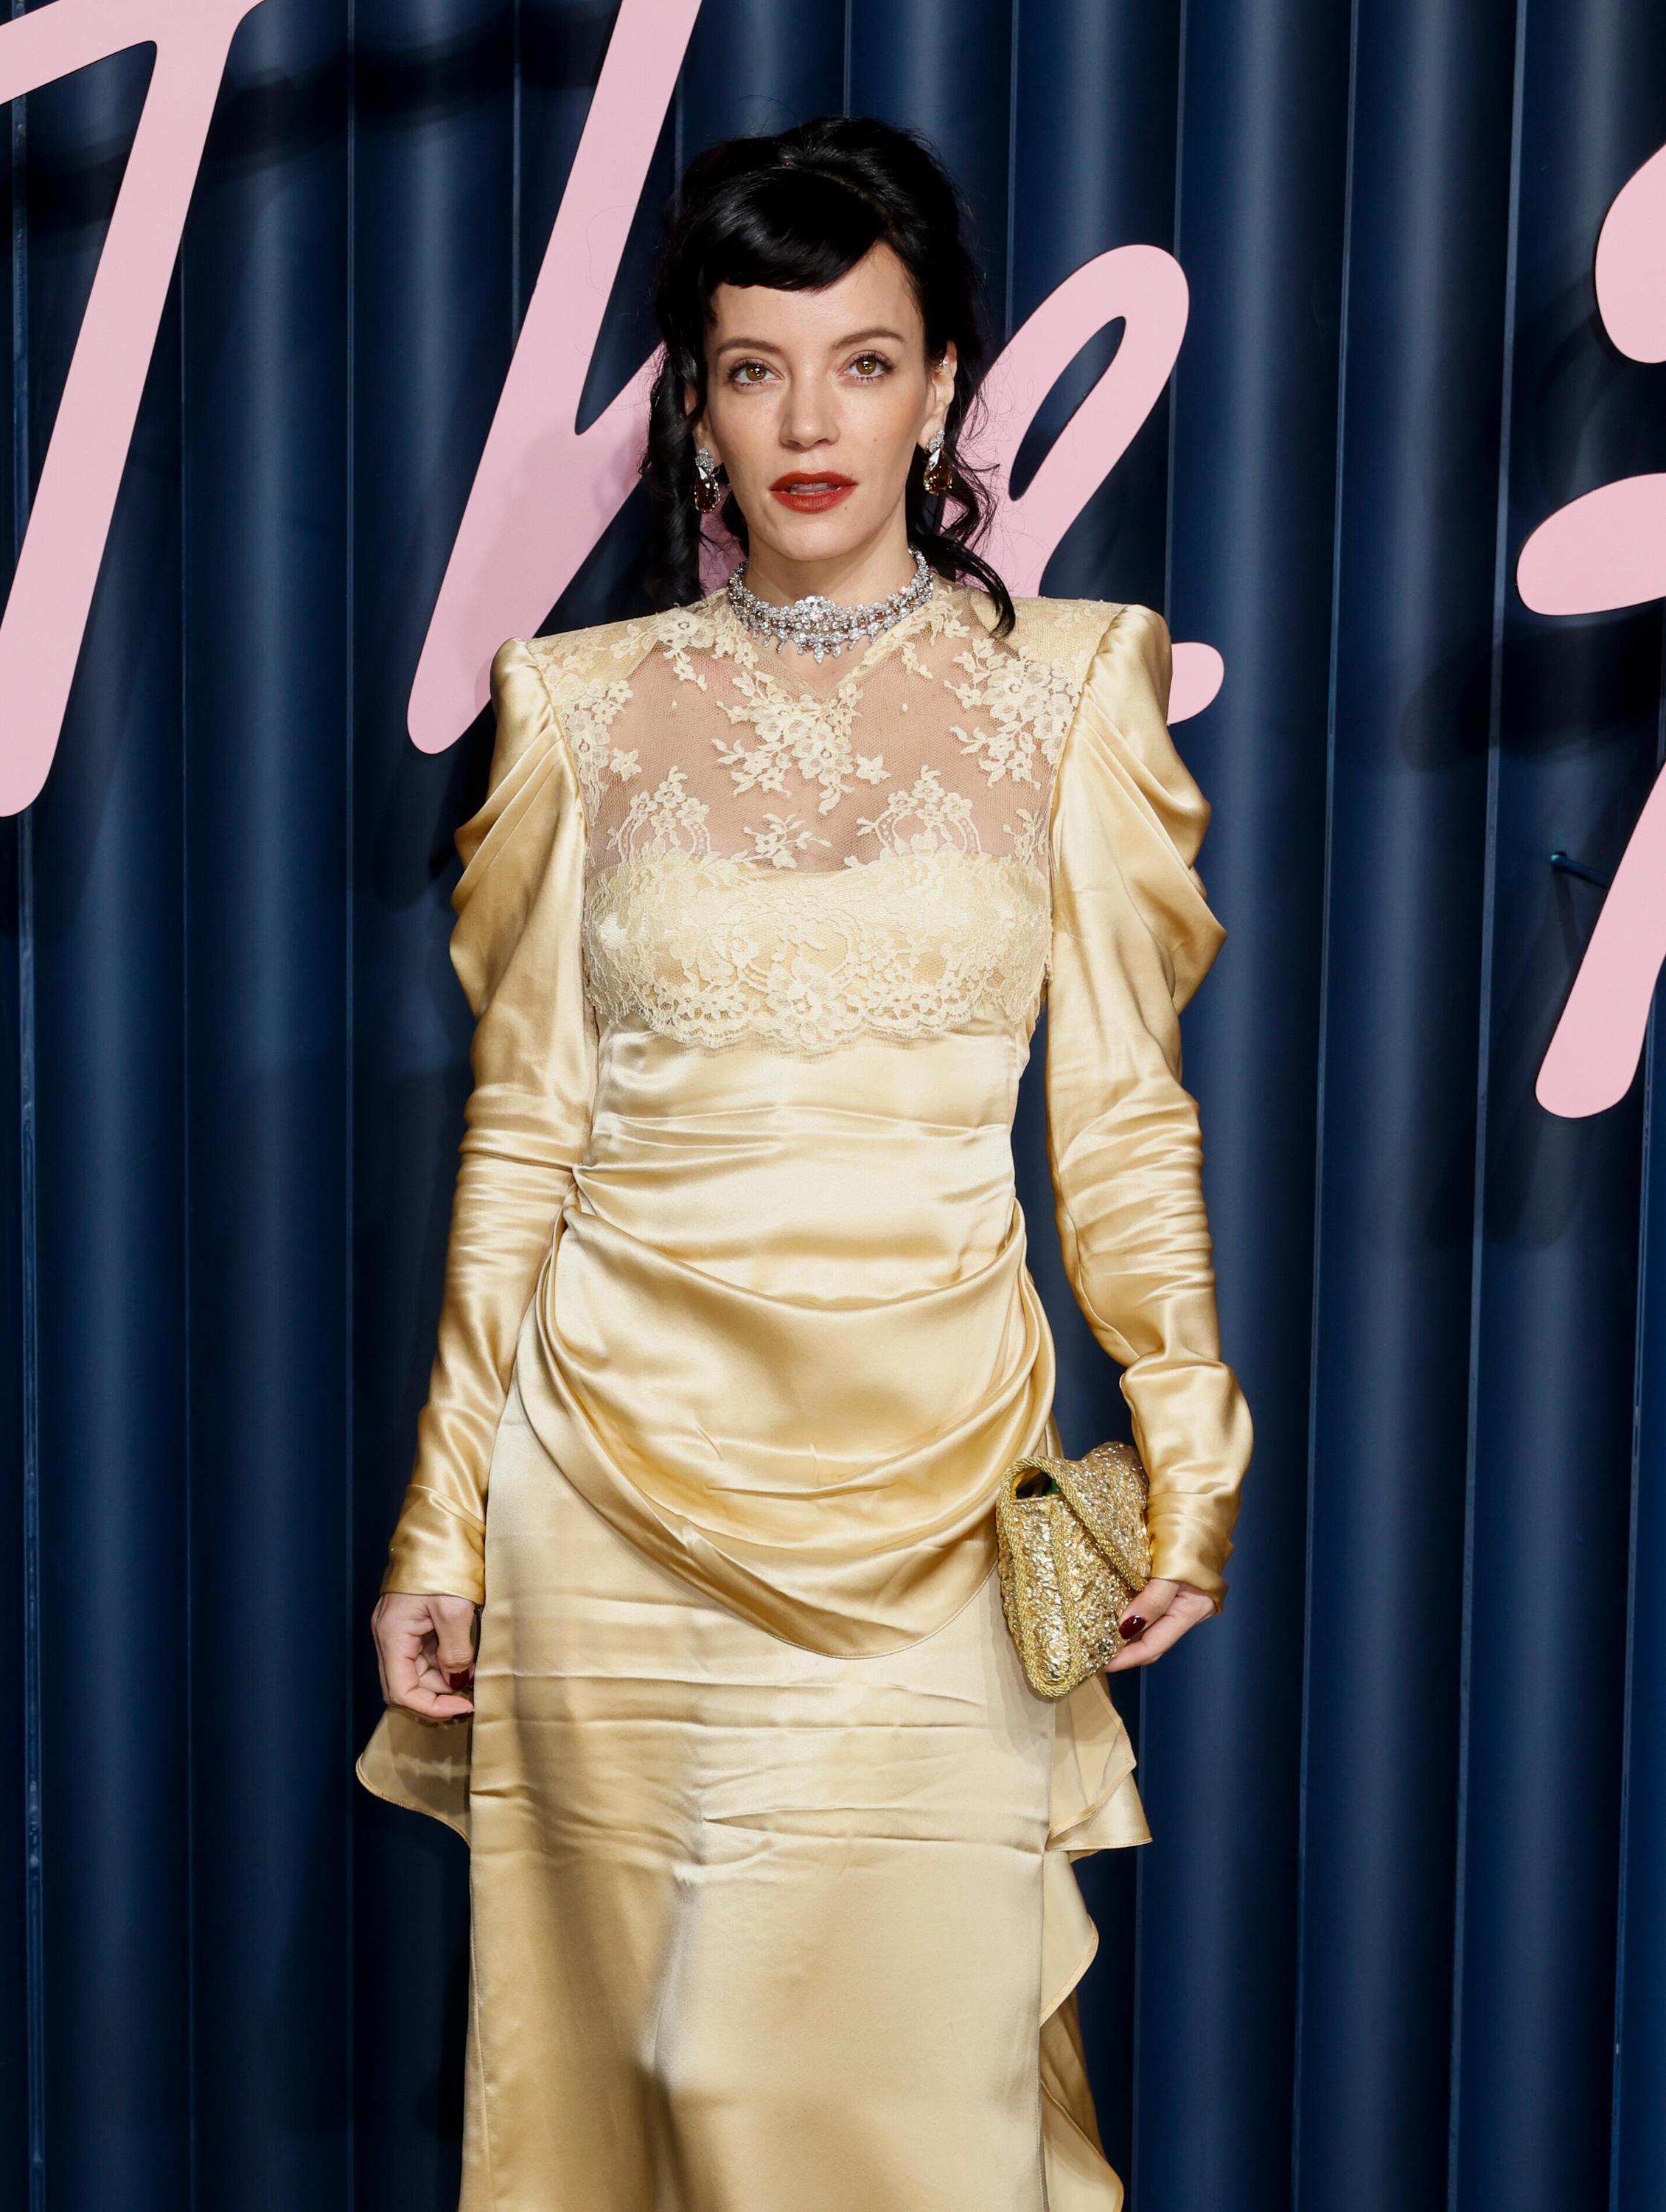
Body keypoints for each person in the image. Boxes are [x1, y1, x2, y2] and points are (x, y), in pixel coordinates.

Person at [357, 113, 1252, 2212]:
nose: (809, 421)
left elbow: (1123, 1114)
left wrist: (1188, 1446)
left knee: (896, 2093)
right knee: (653, 2075)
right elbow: (524, 1133)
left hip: (947, 1489)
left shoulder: (1077, 686)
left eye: (863, 362)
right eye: (754, 369)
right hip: (604, 1490)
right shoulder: (571, 706)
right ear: (698, 404)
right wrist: (441, 1526)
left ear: (943, 388)